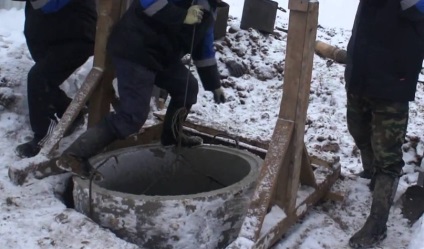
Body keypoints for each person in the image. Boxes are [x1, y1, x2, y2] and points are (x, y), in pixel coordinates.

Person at [55, 0, 227, 177]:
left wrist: (214, 84)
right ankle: (74, 155)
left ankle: (171, 137)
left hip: (161, 56)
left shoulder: (210, 7)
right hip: (135, 48)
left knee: (187, 88)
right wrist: (182, 16)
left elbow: (204, 47)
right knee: (133, 116)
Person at [345, 0, 424, 248]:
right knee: (357, 129)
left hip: (393, 83)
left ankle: (377, 225)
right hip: (361, 73)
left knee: (387, 157)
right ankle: (371, 172)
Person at [13, 0, 97, 158]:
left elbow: (48, 4)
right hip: (51, 36)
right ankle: (70, 112)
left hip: (76, 38)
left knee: (38, 77)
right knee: (44, 81)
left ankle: (44, 136)